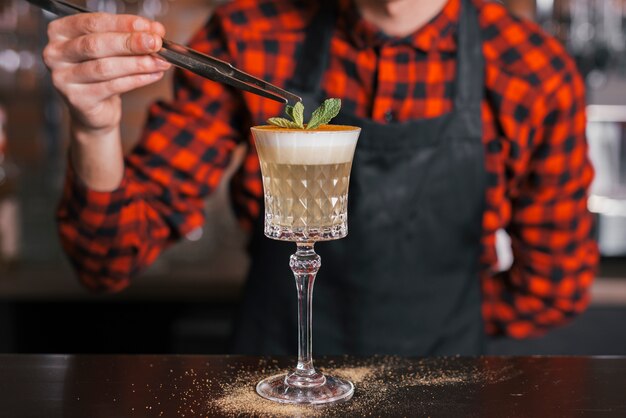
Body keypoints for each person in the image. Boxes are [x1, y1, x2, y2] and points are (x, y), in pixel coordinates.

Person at [44, 0, 598, 355]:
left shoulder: (532, 69)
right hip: (270, 378)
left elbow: (555, 284)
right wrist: (94, 129)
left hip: (448, 383)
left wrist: (436, 326)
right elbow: (106, 262)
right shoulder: (248, 34)